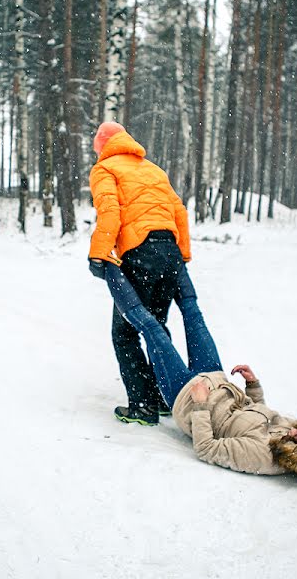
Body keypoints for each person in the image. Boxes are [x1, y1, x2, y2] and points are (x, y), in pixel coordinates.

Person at [103, 262, 297, 487]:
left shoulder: (263, 455)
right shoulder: (291, 431)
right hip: (217, 380)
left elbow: (207, 449)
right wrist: (253, 386)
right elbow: (256, 415)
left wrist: (201, 404)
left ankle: (107, 268)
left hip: (186, 396)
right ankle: (176, 259)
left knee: (152, 328)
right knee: (194, 315)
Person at [87, 121, 191, 426]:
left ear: (103, 146)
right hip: (169, 253)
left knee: (126, 330)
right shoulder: (153, 169)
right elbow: (179, 212)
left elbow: (110, 212)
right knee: (156, 325)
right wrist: (181, 254)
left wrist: (98, 253)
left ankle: (143, 405)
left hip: (140, 252)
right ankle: (162, 396)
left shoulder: (105, 170)